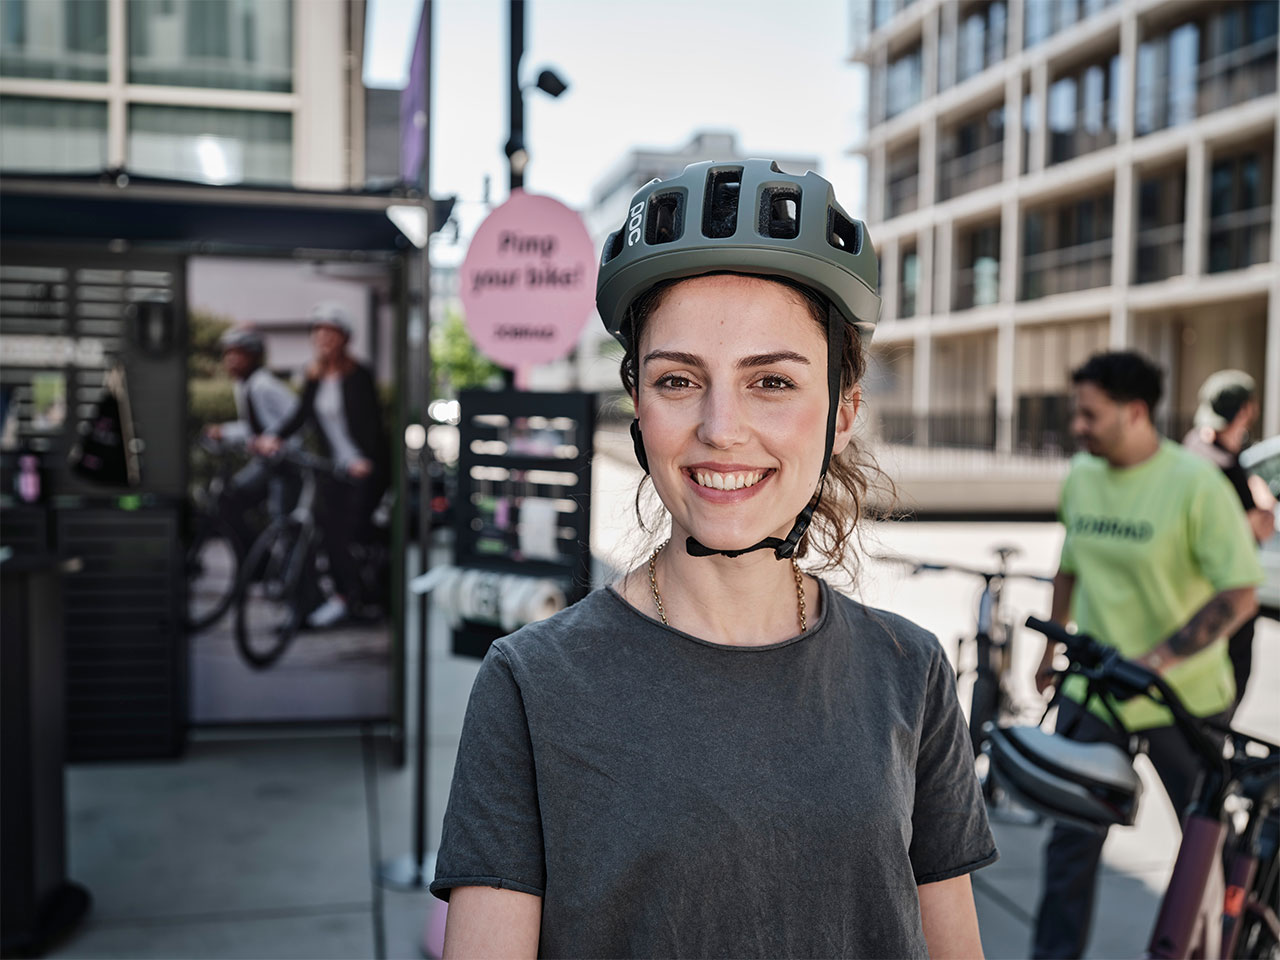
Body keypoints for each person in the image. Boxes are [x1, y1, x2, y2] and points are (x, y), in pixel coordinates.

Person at [430, 161, 996, 959]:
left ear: (842, 413)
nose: (721, 428)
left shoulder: (910, 671)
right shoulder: (531, 686)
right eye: (677, 379)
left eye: (772, 381)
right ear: (638, 405)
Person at [1031, 351, 1262, 959]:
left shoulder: (1196, 484)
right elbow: (1069, 566)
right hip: (1095, 694)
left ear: (1135, 412)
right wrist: (1051, 646)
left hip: (1182, 700)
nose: (1077, 426)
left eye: (1090, 414)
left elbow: (1239, 593)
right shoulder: (1082, 476)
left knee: (1204, 854)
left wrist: (1153, 664)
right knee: (1069, 847)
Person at [254, 303, 389, 628]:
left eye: (331, 333)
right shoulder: (313, 375)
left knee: (344, 536)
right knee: (322, 533)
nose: (323, 338)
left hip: (364, 469)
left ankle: (351, 599)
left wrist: (365, 461)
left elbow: (373, 425)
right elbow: (299, 415)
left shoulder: (359, 375)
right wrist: (274, 437)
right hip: (333, 468)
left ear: (344, 338)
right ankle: (329, 598)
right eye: (319, 332)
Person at [1183, 369, 1277, 706]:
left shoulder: (1194, 445)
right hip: (1227, 592)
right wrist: (1263, 506)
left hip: (1196, 589)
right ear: (1247, 410)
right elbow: (1261, 527)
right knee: (1224, 691)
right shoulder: (1223, 469)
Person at [204, 327, 299, 551]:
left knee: (280, 520)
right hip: (267, 462)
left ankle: (284, 567)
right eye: (228, 353)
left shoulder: (264, 385)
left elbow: (298, 418)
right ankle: (254, 558)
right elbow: (254, 428)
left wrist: (277, 442)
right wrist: (225, 432)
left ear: (254, 356)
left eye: (238, 353)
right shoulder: (244, 385)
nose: (231, 359)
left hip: (285, 463)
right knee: (228, 500)